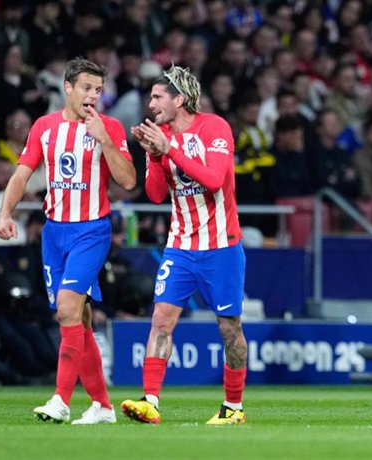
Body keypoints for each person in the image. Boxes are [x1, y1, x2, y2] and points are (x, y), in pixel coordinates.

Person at [0, 57, 136, 424]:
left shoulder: (111, 127)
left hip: (91, 230)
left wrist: (105, 140)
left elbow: (128, 180)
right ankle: (103, 406)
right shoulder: (45, 126)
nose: (93, 95)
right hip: (54, 234)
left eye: (99, 90)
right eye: (86, 88)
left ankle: (61, 399)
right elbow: (22, 174)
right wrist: (5, 214)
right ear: (68, 88)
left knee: (68, 310)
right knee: (80, 319)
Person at [121, 65, 248, 425]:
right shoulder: (158, 135)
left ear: (180, 99)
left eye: (158, 96)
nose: (151, 103)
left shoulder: (215, 127)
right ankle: (150, 401)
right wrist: (155, 155)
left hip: (222, 245)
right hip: (180, 245)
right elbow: (156, 194)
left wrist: (170, 150)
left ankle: (233, 407)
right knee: (161, 320)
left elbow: (213, 179)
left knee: (229, 327)